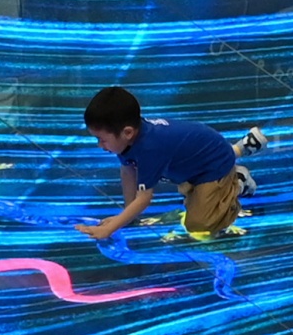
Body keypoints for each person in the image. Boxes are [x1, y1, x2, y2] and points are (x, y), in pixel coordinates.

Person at [77, 87, 265, 241]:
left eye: (101, 139)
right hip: (195, 158)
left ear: (127, 132)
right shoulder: (127, 140)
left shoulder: (149, 148)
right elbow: (128, 171)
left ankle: (237, 181)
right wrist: (125, 216)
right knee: (189, 191)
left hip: (212, 165)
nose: (99, 145)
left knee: (199, 224)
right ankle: (241, 148)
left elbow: (144, 199)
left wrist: (109, 229)